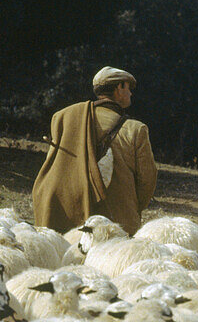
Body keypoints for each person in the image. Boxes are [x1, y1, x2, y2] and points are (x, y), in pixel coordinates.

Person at [32, 66, 157, 234]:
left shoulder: (63, 117)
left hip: (66, 216)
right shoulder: (136, 129)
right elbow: (147, 180)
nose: (131, 93)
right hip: (116, 225)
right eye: (128, 87)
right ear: (119, 88)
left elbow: (54, 165)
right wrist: (131, 208)